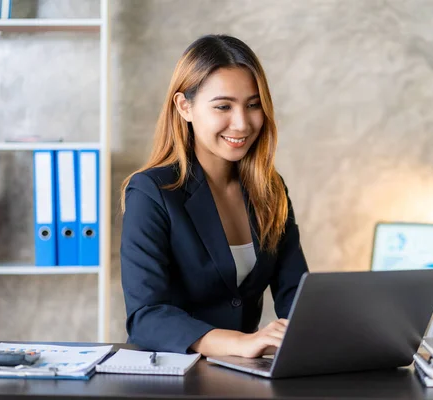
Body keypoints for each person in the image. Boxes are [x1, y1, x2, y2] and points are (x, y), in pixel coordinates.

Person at [120, 34, 309, 358]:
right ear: (185, 106)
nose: (242, 123)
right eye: (223, 106)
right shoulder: (151, 192)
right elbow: (146, 316)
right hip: (174, 374)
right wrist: (240, 342)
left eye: (253, 105)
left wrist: (331, 333)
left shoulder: (270, 189)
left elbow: (295, 292)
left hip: (240, 374)